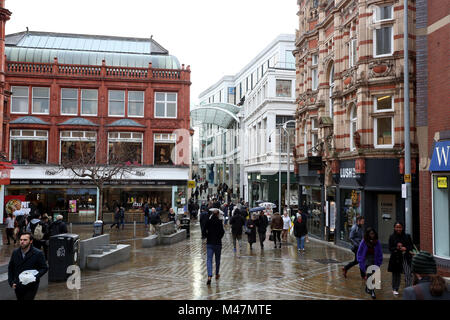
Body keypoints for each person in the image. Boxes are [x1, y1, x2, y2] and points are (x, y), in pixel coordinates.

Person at [8, 232, 48, 300]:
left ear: (31, 241)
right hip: (18, 284)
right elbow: (11, 267)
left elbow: (44, 268)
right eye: (21, 240)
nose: (22, 242)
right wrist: (11, 282)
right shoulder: (15, 252)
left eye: (25, 240)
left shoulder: (38, 253)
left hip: (31, 285)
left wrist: (34, 277)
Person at [357, 227, 383, 299]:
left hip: (374, 259)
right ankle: (372, 291)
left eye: (373, 234)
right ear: (368, 234)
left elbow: (380, 252)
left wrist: (380, 260)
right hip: (366, 259)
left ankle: (367, 288)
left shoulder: (377, 242)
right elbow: (359, 251)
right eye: (371, 234)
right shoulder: (364, 241)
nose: (372, 235)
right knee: (370, 274)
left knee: (372, 275)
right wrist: (360, 260)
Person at [388, 221, 413, 296]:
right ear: (394, 228)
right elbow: (390, 248)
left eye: (400, 227)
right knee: (396, 274)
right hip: (396, 258)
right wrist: (397, 247)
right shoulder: (392, 237)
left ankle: (409, 289)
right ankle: (395, 288)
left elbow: (411, 246)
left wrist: (406, 248)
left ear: (402, 228)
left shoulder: (407, 236)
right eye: (397, 227)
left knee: (408, 273)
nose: (398, 229)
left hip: (405, 257)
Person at [205, 208, 225, 285]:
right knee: (217, 260)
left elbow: (204, 230)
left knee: (209, 260)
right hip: (218, 243)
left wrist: (207, 236)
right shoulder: (219, 222)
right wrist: (219, 237)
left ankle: (209, 276)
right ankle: (217, 273)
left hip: (209, 243)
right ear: (217, 214)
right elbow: (222, 232)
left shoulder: (208, 221)